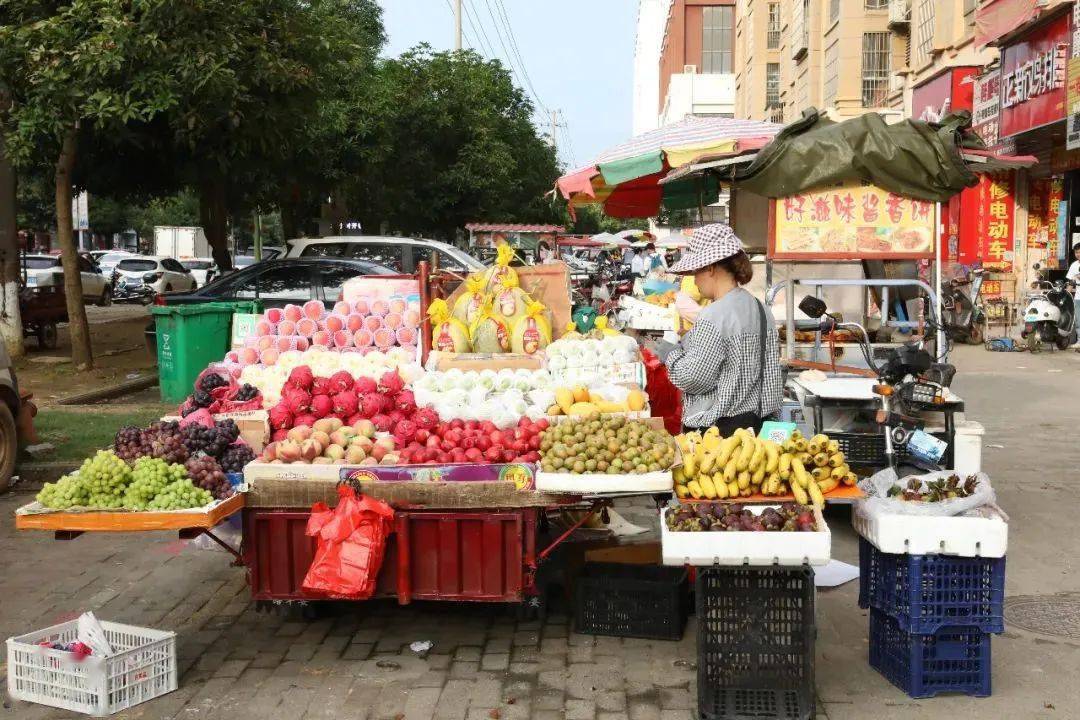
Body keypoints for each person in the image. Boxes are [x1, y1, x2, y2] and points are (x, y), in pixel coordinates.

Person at [656, 223, 782, 435]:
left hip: (719, 433)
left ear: (711, 268)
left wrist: (671, 355)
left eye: (696, 271)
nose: (694, 280)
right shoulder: (761, 309)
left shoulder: (713, 315)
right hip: (756, 427)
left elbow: (694, 378)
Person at [1066, 244, 1080, 341]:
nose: (1078, 254)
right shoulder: (1074, 265)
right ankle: (1079, 341)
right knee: (1078, 320)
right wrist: (1066, 295)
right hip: (1078, 297)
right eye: (1076, 252)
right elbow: (1071, 283)